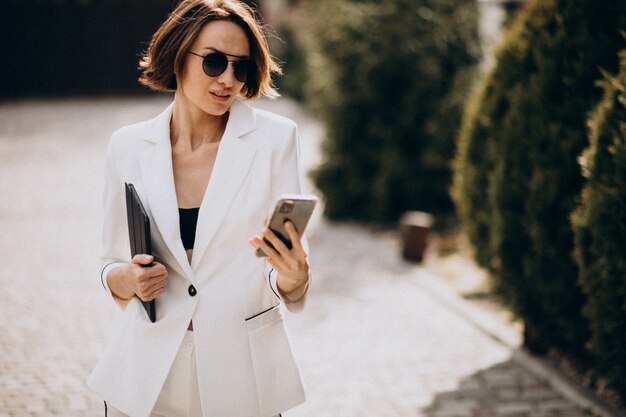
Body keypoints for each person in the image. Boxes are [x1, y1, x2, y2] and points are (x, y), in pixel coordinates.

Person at [88, 1, 311, 416]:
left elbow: (277, 267)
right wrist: (128, 278)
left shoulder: (275, 140)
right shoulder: (127, 146)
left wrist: (295, 277)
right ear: (177, 56)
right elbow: (110, 264)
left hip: (242, 375)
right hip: (147, 374)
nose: (228, 79)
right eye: (213, 62)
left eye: (239, 67)